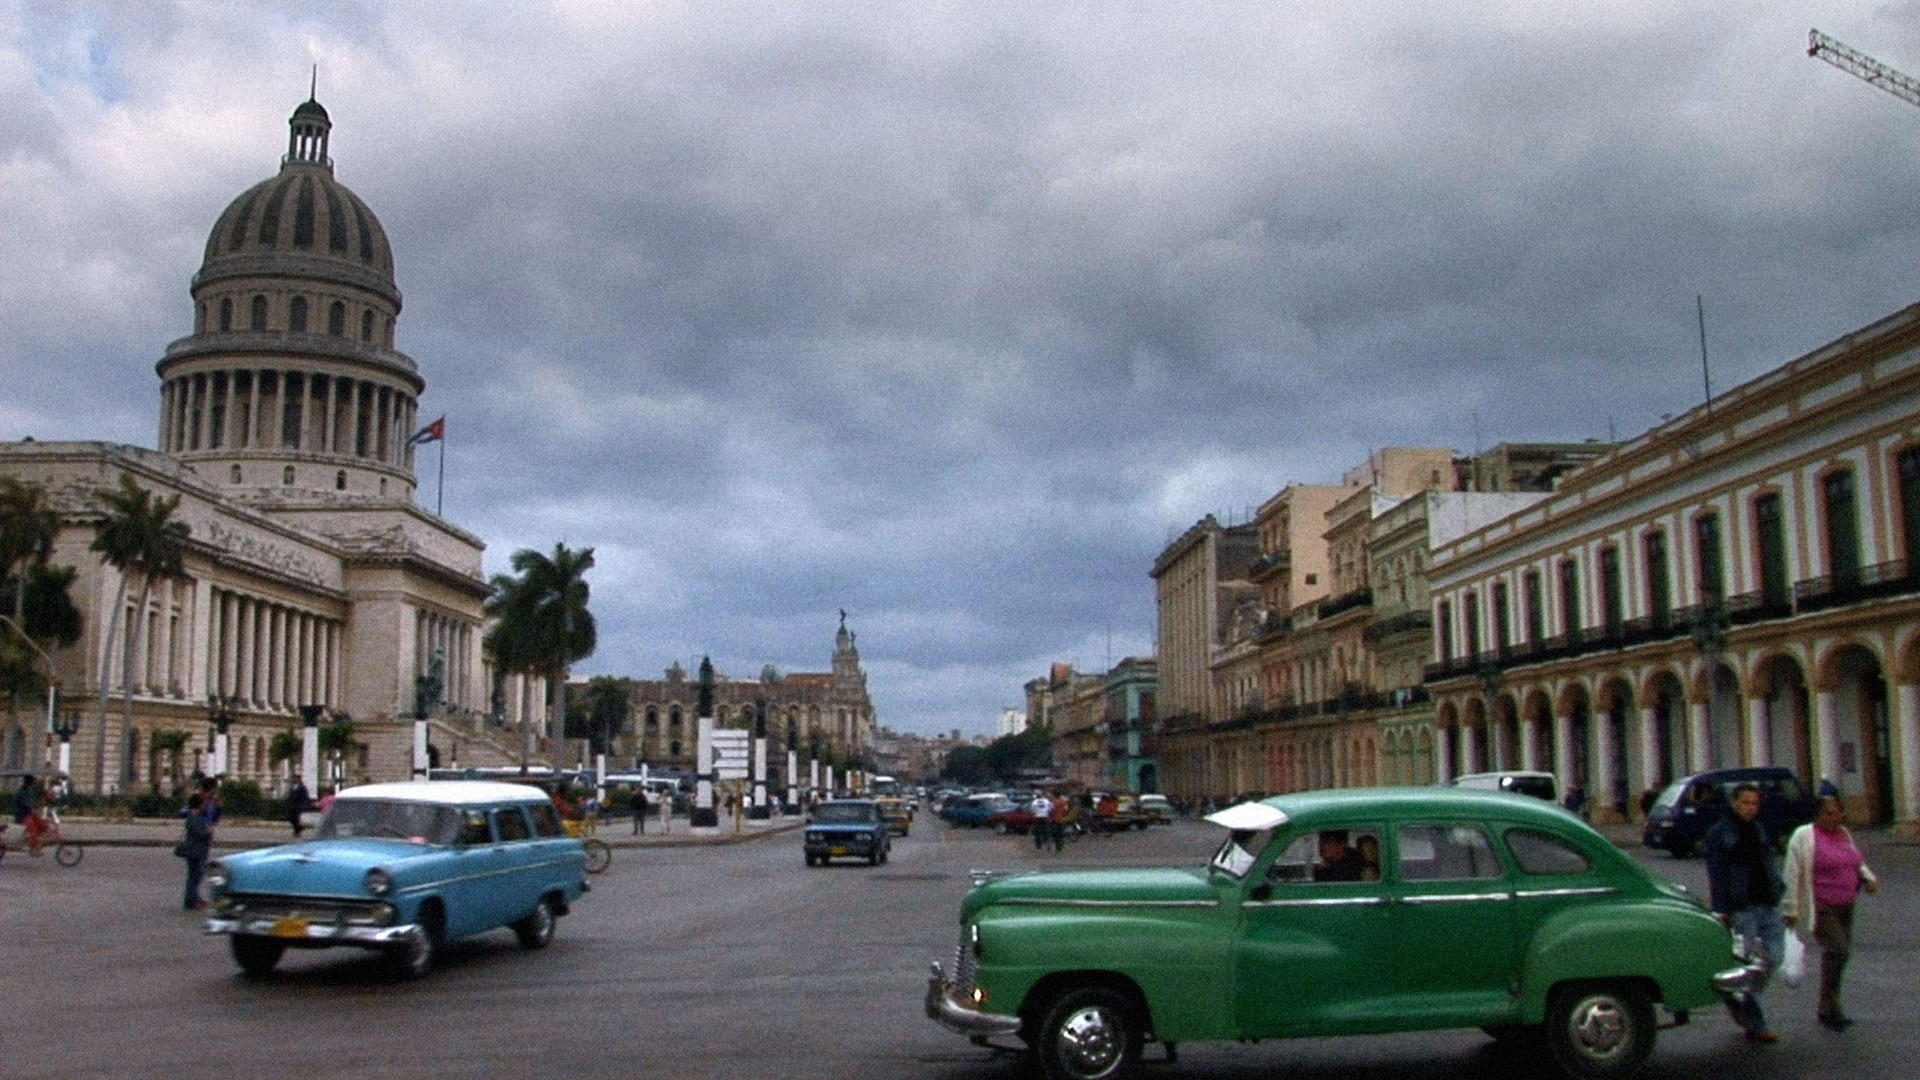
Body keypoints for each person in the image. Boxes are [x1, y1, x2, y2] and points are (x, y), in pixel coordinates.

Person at [1783, 794, 1880, 1031]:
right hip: (1822, 905)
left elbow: (1855, 861)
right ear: (1817, 815)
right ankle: (1829, 1005)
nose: (1834, 817)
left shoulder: (1844, 835)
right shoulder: (1804, 836)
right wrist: (1791, 907)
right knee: (1839, 950)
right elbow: (1792, 872)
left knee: (1836, 955)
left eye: (1837, 813)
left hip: (1846, 903)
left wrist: (1867, 878)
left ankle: (1829, 1006)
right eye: (1828, 813)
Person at [1704, 782, 1786, 1043]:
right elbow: (1716, 873)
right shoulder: (1720, 832)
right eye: (1745, 803)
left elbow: (1767, 861)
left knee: (1774, 956)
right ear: (1734, 803)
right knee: (1748, 964)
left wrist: (1779, 888)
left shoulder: (1759, 829)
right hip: (1743, 906)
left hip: (1767, 901)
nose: (1751, 808)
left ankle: (1739, 997)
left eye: (1754, 803)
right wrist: (1722, 909)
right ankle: (1755, 1020)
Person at [180, 792, 214, 910]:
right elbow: (199, 833)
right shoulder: (194, 817)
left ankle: (192, 899)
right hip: (194, 851)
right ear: (199, 805)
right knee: (194, 877)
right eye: (203, 803)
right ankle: (190, 902)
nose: (205, 805)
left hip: (196, 850)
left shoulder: (196, 816)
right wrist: (208, 831)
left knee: (194, 876)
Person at [12, 774, 48, 855]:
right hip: (22, 815)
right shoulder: (22, 792)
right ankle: (32, 848)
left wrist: (42, 801)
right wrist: (40, 803)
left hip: (29, 814)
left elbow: (33, 803)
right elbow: (29, 804)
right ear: (30, 783)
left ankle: (33, 840)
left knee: (43, 824)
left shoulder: (29, 791)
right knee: (33, 829)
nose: (34, 784)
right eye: (33, 782)